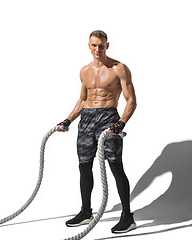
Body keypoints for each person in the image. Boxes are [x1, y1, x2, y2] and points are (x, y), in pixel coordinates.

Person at [58, 30, 137, 234]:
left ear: (107, 46)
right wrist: (68, 119)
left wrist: (121, 123)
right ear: (89, 45)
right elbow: (83, 99)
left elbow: (131, 100)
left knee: (115, 167)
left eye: (101, 46)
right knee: (84, 166)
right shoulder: (84, 71)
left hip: (108, 119)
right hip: (86, 120)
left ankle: (127, 217)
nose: (97, 49)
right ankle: (86, 212)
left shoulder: (119, 68)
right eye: (94, 45)